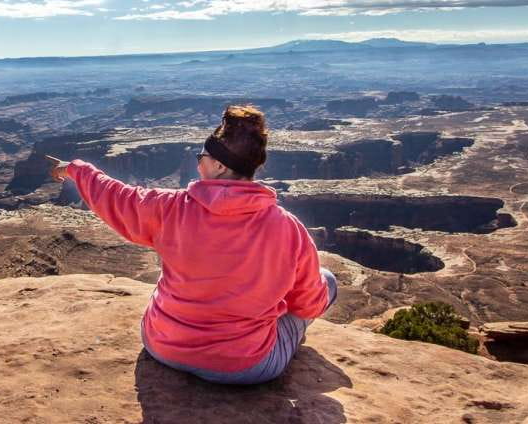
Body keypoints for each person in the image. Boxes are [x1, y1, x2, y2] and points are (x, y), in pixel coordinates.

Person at [48, 105, 337, 385]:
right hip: (244, 368)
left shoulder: (170, 207)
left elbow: (118, 197)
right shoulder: (287, 228)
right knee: (326, 282)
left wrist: (77, 170)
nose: (198, 163)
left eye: (203, 156)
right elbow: (308, 303)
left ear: (220, 165)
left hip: (163, 347)